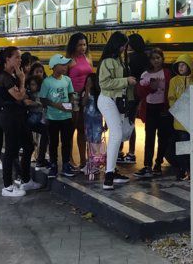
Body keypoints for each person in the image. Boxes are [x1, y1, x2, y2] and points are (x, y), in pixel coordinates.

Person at [0, 46, 42, 197]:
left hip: (19, 115)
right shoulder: (5, 77)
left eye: (20, 57)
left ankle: (25, 179)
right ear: (7, 59)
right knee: (11, 151)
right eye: (17, 57)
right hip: (10, 116)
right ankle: (7, 186)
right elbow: (19, 96)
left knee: (28, 146)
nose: (20, 60)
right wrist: (22, 80)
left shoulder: (12, 75)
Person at [97, 31, 137, 190]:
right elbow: (104, 84)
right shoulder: (108, 61)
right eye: (123, 45)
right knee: (117, 134)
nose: (124, 48)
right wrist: (126, 80)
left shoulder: (117, 60)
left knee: (119, 134)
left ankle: (111, 171)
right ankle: (108, 176)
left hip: (118, 101)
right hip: (108, 99)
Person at [133, 48, 173, 178]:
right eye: (153, 58)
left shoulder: (166, 73)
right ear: (149, 60)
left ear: (162, 59)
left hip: (163, 108)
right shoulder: (146, 74)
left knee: (163, 137)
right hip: (150, 108)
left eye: (158, 58)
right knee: (149, 137)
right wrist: (151, 87)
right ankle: (147, 165)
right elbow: (139, 92)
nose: (156, 61)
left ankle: (158, 163)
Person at [168, 53, 193, 181]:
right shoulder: (174, 81)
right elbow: (171, 98)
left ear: (190, 66)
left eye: (184, 65)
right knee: (183, 146)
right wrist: (180, 109)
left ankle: (191, 169)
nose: (181, 68)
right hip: (181, 121)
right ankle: (185, 169)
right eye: (179, 65)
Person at [39, 54, 78, 179]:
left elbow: (71, 93)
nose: (65, 67)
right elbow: (43, 99)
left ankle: (66, 164)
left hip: (66, 117)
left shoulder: (67, 80)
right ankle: (53, 164)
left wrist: (72, 102)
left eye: (66, 65)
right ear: (54, 66)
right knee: (53, 142)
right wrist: (56, 105)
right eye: (63, 65)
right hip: (53, 118)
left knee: (66, 142)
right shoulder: (47, 82)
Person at [119, 33, 148, 164]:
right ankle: (131, 152)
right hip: (138, 94)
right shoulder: (144, 57)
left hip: (129, 93)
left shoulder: (131, 58)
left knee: (123, 121)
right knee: (131, 122)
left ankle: (121, 151)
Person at [66, 32, 93, 170]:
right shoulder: (69, 60)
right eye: (80, 45)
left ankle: (83, 159)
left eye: (84, 44)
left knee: (82, 129)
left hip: (85, 95)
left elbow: (90, 77)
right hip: (72, 96)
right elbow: (64, 80)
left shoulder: (88, 58)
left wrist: (87, 93)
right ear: (74, 46)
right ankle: (69, 158)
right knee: (71, 128)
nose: (83, 47)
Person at [25, 75, 49, 169]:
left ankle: (40, 158)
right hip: (33, 119)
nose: (32, 86)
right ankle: (40, 158)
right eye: (30, 85)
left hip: (36, 118)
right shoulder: (29, 93)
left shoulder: (38, 93)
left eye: (33, 85)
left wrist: (32, 103)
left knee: (45, 134)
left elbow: (41, 103)